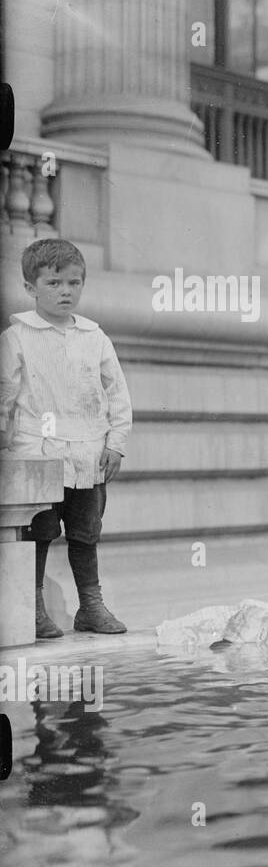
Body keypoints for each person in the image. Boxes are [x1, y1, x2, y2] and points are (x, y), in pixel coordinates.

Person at [1, 238, 132, 638]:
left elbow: (117, 394)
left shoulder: (94, 337)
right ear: (30, 287)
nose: (65, 292)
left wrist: (115, 444)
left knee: (85, 532)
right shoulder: (17, 337)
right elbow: (4, 392)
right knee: (38, 532)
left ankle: (90, 606)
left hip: (89, 454)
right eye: (55, 283)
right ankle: (33, 609)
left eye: (74, 283)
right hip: (38, 452)